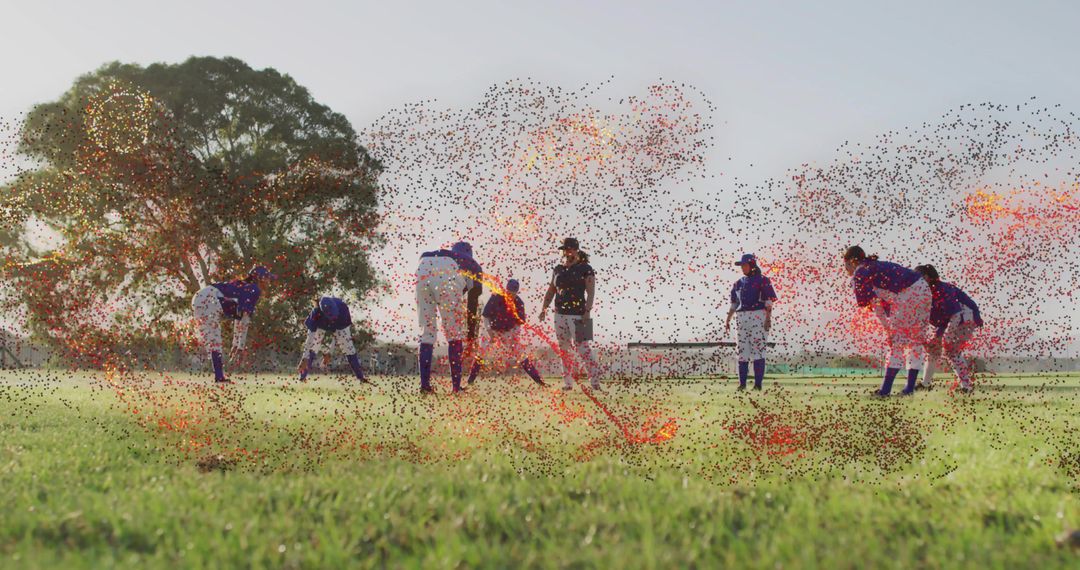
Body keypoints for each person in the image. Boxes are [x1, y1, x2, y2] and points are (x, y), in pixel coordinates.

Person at [843, 246, 931, 397]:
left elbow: (875, 304)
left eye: (844, 264)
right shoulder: (874, 266)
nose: (844, 268)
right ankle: (909, 389)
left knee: (897, 343)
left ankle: (885, 391)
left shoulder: (860, 272)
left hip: (908, 294)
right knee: (915, 343)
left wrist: (888, 330)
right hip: (924, 290)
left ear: (851, 261)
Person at [416, 241, 483, 394]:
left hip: (423, 263)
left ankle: (425, 386)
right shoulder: (472, 264)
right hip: (448, 271)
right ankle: (456, 388)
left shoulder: (447, 254)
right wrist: (471, 336)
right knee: (455, 335)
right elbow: (473, 304)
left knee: (427, 333)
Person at [191, 265, 276, 383]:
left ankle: (219, 376)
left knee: (214, 340)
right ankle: (219, 377)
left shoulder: (247, 287)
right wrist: (240, 347)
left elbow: (239, 318)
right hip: (208, 299)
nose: (269, 282)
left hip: (202, 297)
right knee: (214, 340)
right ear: (260, 278)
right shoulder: (253, 289)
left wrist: (236, 344)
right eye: (267, 278)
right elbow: (245, 320)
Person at [539, 238, 599, 391]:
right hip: (559, 314)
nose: (568, 252)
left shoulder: (586, 268)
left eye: (571, 249)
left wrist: (587, 310)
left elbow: (591, 291)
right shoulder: (558, 269)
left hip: (579, 314)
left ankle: (595, 382)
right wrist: (544, 308)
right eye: (566, 249)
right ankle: (568, 383)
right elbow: (551, 289)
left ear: (576, 250)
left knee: (583, 348)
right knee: (564, 349)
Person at [914, 265, 982, 393]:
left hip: (965, 320)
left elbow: (955, 315)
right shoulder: (928, 291)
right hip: (951, 320)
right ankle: (925, 384)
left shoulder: (942, 290)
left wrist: (946, 338)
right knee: (933, 351)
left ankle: (967, 387)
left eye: (917, 277)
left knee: (951, 351)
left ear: (927, 278)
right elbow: (943, 318)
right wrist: (937, 337)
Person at [466, 279, 546, 386]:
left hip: (508, 331)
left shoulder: (519, 303)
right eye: (509, 292)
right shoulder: (496, 297)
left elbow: (518, 324)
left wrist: (514, 337)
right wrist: (490, 332)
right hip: (492, 329)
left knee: (520, 355)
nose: (510, 295)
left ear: (516, 292)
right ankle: (470, 381)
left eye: (513, 293)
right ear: (506, 289)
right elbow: (486, 316)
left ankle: (539, 381)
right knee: (481, 354)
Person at [724, 254, 778, 391]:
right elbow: (735, 303)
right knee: (742, 351)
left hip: (758, 316)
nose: (742, 268)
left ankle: (758, 385)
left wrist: (768, 318)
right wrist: (728, 319)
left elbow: (768, 302)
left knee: (758, 351)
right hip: (741, 318)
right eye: (741, 265)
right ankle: (742, 384)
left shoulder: (763, 280)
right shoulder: (738, 283)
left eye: (744, 265)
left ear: (752, 265)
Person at [297, 296, 371, 384]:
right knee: (313, 347)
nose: (332, 319)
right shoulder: (316, 313)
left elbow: (337, 334)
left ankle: (361, 378)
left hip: (339, 326)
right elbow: (310, 337)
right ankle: (302, 378)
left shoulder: (343, 310)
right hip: (321, 325)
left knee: (349, 348)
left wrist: (330, 352)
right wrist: (305, 357)